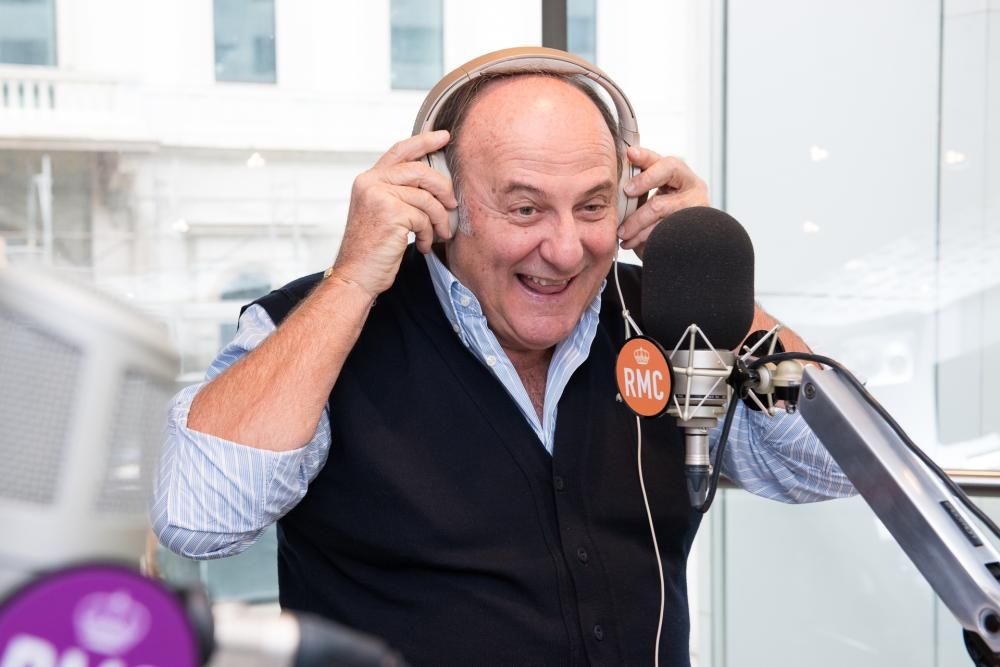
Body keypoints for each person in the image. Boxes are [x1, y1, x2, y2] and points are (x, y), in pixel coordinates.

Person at [152, 57, 853, 666]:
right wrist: (352, 280)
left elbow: (836, 463)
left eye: (592, 206)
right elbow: (198, 517)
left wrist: (709, 279)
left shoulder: (673, 318)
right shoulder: (323, 325)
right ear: (443, 199)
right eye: (525, 209)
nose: (566, 249)